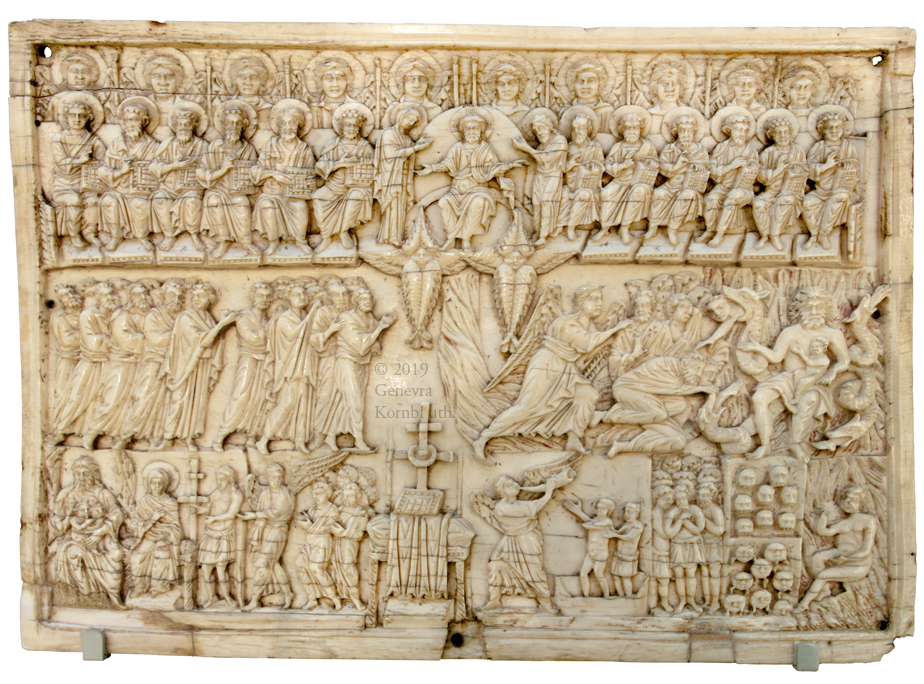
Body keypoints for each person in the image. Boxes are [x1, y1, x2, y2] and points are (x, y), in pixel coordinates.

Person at [474, 285, 627, 460]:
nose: (599, 303)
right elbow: (586, 343)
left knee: (587, 395)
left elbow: (584, 354)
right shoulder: (567, 323)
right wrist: (615, 330)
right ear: (582, 302)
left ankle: (574, 437)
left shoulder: (589, 326)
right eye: (593, 299)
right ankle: (485, 437)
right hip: (547, 365)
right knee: (528, 407)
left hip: (566, 369)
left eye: (600, 299)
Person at [738, 286, 850, 460]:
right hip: (788, 379)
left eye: (818, 307)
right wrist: (757, 347)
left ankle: (795, 443)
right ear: (800, 310)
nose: (814, 312)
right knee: (759, 398)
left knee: (809, 400)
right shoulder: (790, 332)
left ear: (825, 309)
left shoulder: (832, 334)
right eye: (809, 308)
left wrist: (832, 373)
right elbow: (776, 357)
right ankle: (765, 445)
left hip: (813, 381)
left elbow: (844, 361)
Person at [419, 108, 524, 250]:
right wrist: (432, 168)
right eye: (468, 129)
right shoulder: (457, 148)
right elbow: (448, 164)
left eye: (475, 128)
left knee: (478, 203)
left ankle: (466, 240)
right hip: (457, 191)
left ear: (481, 131)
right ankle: (451, 237)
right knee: (444, 203)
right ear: (463, 131)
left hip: (478, 189)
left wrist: (510, 165)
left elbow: (494, 167)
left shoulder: (485, 149)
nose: (471, 132)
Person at [471, 472, 571, 613]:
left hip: (528, 539)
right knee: (495, 566)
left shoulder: (519, 504)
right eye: (510, 485)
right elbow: (532, 508)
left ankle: (546, 603)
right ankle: (494, 599)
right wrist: (548, 492)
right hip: (511, 540)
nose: (515, 485)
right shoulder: (501, 508)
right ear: (503, 492)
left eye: (515, 483)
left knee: (534, 572)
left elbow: (530, 506)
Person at [315, 282, 396, 451]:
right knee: (355, 402)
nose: (368, 302)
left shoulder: (369, 320)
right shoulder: (346, 319)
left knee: (343, 401)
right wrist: (381, 327)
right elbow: (361, 345)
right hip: (346, 362)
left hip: (361, 364)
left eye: (369, 299)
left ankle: (331, 435)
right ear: (357, 302)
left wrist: (383, 324)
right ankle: (358, 439)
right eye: (364, 299)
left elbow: (375, 343)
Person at [161, 283, 236, 451]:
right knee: (180, 400)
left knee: (197, 403)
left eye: (201, 296)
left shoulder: (208, 318)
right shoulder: (186, 317)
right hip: (185, 365)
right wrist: (221, 325)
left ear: (209, 300)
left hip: (202, 365)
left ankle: (189, 438)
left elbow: (215, 341)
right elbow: (201, 340)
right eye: (195, 296)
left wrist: (220, 327)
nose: (197, 299)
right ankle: (168, 437)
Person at [50, 282, 120, 445]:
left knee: (102, 399)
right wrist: (115, 340)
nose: (110, 298)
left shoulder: (116, 314)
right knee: (77, 396)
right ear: (98, 298)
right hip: (90, 363)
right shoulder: (88, 315)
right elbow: (91, 341)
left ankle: (92, 433)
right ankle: (61, 430)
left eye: (112, 294)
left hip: (110, 363)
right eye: (105, 295)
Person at [50, 456, 125, 607]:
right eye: (77, 474)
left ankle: (114, 595)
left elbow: (117, 515)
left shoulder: (102, 493)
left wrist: (100, 533)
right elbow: (56, 519)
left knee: (116, 555)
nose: (81, 478)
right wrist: (68, 519)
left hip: (101, 539)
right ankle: (85, 595)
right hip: (76, 539)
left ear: (93, 475)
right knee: (74, 554)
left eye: (85, 473)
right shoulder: (66, 494)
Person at [119, 280, 184, 449]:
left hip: (174, 365)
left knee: (165, 402)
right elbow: (155, 339)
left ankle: (154, 436)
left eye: (179, 296)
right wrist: (178, 335)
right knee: (144, 397)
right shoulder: (154, 316)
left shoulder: (181, 317)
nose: (176, 300)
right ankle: (126, 435)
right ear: (164, 297)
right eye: (172, 295)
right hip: (155, 362)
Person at [85, 282, 150, 449]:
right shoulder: (122, 316)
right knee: (113, 399)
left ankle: (123, 436)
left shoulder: (148, 315)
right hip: (122, 364)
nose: (143, 298)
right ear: (131, 298)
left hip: (140, 365)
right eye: (138, 295)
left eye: (144, 294)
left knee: (135, 401)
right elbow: (126, 340)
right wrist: (150, 340)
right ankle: (93, 432)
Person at [258, 283, 320, 454]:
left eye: (303, 294)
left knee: (304, 404)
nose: (301, 298)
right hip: (289, 369)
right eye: (296, 295)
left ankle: (300, 440)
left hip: (305, 366)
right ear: (289, 298)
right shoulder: (284, 319)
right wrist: (312, 314)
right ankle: (264, 439)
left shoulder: (305, 317)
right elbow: (295, 334)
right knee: (287, 403)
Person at [795, 484, 877, 612]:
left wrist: (846, 560)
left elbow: (865, 550)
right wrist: (823, 516)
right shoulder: (843, 523)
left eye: (853, 500)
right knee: (817, 557)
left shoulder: (868, 520)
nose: (848, 502)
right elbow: (823, 531)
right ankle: (824, 589)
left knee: (823, 575)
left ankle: (804, 604)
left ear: (860, 502)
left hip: (857, 564)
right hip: (840, 554)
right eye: (846, 499)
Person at [251, 100, 316, 256]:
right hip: (272, 193)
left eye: (292, 123)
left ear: (298, 126)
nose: (288, 127)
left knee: (300, 207)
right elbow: (256, 169)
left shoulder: (303, 149)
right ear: (279, 126)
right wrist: (273, 174)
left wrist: (299, 178)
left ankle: (301, 241)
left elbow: (311, 173)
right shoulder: (271, 145)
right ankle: (273, 242)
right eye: (284, 123)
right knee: (267, 206)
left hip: (293, 195)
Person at [214, 282, 273, 451]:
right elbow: (254, 338)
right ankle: (220, 436)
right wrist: (271, 326)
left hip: (264, 362)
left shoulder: (267, 320)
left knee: (260, 399)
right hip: (248, 360)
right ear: (253, 297)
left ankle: (252, 436)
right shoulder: (243, 318)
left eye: (267, 297)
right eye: (260, 296)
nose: (264, 299)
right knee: (241, 396)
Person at [198, 101, 261, 258]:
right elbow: (201, 172)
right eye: (230, 123)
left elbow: (254, 175)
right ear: (223, 124)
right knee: (214, 201)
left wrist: (251, 177)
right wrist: (222, 170)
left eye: (237, 123)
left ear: (243, 126)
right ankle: (223, 242)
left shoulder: (247, 149)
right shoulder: (215, 147)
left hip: (238, 192)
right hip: (218, 190)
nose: (233, 127)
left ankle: (246, 242)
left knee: (241, 203)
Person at [98, 97, 161, 251]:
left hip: (142, 191)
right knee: (108, 201)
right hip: (119, 189)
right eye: (127, 120)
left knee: (138, 203)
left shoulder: (153, 146)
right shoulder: (116, 144)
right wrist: (121, 172)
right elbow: (102, 170)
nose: (130, 124)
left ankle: (142, 237)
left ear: (144, 122)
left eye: (134, 120)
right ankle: (116, 237)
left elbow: (160, 171)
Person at [312, 104, 375, 252]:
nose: (351, 128)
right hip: (334, 186)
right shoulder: (334, 145)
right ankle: (326, 237)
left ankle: (344, 231)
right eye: (348, 125)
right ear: (342, 127)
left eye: (354, 125)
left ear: (359, 127)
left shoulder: (364, 147)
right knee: (318, 197)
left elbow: (375, 168)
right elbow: (319, 166)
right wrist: (339, 164)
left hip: (357, 187)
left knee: (355, 197)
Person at [50, 93, 107, 249]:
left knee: (93, 201)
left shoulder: (94, 141)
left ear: (88, 118)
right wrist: (80, 161)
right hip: (64, 185)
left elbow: (103, 163)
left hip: (87, 184)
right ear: (66, 117)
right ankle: (74, 235)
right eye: (73, 115)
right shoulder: (59, 138)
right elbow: (61, 162)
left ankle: (90, 233)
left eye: (81, 116)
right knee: (74, 200)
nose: (77, 119)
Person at [645, 109, 708, 246]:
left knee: (686, 196)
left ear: (694, 132)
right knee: (658, 194)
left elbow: (706, 167)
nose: (686, 134)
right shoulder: (670, 149)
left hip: (690, 187)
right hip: (671, 185)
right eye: (683, 131)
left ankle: (672, 230)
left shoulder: (699, 150)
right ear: (676, 132)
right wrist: (677, 165)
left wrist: (699, 166)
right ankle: (652, 228)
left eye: (689, 131)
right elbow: (663, 169)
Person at [150, 102, 208, 251]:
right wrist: (174, 166)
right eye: (180, 125)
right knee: (160, 199)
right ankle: (169, 235)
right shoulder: (167, 145)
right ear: (175, 126)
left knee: (193, 200)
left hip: (191, 188)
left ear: (193, 126)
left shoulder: (202, 145)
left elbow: (210, 166)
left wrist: (198, 169)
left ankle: (194, 235)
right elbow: (153, 166)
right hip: (169, 187)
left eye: (187, 125)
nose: (183, 128)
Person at [596, 108, 659, 244]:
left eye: (635, 128)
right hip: (620, 181)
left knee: (638, 192)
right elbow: (608, 166)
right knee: (606, 194)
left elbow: (656, 165)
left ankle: (624, 228)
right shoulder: (618, 147)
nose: (632, 131)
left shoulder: (647, 147)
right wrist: (623, 165)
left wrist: (649, 163)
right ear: (622, 130)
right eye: (628, 128)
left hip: (640, 182)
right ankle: (604, 228)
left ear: (640, 129)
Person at [374, 103, 432, 245]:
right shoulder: (388, 134)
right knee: (392, 206)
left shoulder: (406, 139)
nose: (410, 123)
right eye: (409, 119)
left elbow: (409, 155)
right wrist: (416, 148)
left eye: (413, 122)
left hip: (403, 177)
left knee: (400, 208)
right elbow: (392, 154)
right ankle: (389, 237)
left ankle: (396, 236)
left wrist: (417, 145)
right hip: (390, 177)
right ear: (401, 117)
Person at [802, 108, 860, 250]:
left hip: (841, 189)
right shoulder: (819, 147)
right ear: (823, 130)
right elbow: (808, 170)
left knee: (839, 197)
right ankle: (814, 235)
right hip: (821, 190)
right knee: (806, 202)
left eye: (838, 127)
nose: (834, 131)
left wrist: (848, 169)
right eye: (830, 128)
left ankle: (824, 234)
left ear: (843, 129)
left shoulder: (848, 147)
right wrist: (826, 166)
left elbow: (856, 169)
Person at [700, 109, 758, 247]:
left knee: (732, 197)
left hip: (743, 189)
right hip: (722, 187)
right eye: (738, 130)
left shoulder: (750, 151)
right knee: (710, 199)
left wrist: (750, 169)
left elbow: (756, 174)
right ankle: (710, 230)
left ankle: (720, 234)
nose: (742, 134)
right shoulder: (722, 148)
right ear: (730, 131)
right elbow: (712, 171)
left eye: (744, 130)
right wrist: (731, 166)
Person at [241, 464, 295, 611]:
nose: (276, 480)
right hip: (265, 530)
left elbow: (275, 513)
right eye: (273, 477)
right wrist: (256, 536)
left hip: (278, 531)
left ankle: (254, 600)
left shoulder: (285, 495)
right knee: (274, 565)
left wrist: (254, 515)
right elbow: (262, 511)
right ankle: (288, 593)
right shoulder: (265, 494)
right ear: (268, 478)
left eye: (279, 477)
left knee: (262, 564)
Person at [512, 108, 567, 245]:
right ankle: (538, 231)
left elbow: (546, 159)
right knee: (537, 203)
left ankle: (544, 235)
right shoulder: (541, 147)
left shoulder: (560, 141)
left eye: (541, 128)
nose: (539, 132)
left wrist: (526, 148)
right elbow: (537, 160)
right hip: (540, 177)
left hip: (553, 176)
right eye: (536, 130)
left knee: (547, 202)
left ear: (549, 127)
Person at [753, 112, 807, 250]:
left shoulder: (797, 151)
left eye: (785, 132)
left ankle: (775, 235)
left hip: (791, 190)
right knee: (758, 204)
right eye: (778, 133)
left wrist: (796, 172)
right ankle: (764, 235)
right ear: (772, 135)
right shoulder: (768, 153)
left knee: (785, 200)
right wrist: (778, 170)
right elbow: (759, 176)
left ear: (790, 134)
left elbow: (805, 172)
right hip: (772, 190)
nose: (783, 136)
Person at [128, 466, 181, 598]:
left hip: (165, 538)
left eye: (159, 483)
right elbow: (135, 523)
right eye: (153, 482)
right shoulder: (144, 501)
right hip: (147, 536)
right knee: (137, 558)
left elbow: (175, 526)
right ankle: (139, 587)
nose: (156, 486)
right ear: (149, 484)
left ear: (165, 485)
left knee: (161, 553)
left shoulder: (170, 502)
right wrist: (153, 519)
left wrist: (168, 537)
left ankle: (158, 588)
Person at [197, 465, 244, 609]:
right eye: (218, 479)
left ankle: (228, 598)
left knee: (221, 568)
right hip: (210, 533)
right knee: (206, 568)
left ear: (230, 479)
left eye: (222, 479)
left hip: (224, 533)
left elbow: (231, 514)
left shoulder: (236, 494)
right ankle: (212, 597)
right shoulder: (215, 493)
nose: (219, 482)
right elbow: (208, 509)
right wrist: (200, 510)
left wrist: (214, 519)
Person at [295, 481, 342, 610]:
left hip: (322, 542)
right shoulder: (312, 509)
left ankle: (334, 598)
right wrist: (304, 522)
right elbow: (310, 525)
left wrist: (309, 527)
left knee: (316, 568)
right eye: (314, 493)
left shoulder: (332, 510)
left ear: (327, 494)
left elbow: (329, 528)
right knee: (300, 564)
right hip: (309, 542)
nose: (316, 496)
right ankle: (312, 598)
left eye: (319, 493)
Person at [562, 110, 605, 240]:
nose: (578, 131)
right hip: (572, 185)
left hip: (591, 184)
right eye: (575, 128)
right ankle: (570, 226)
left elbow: (603, 166)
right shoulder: (568, 148)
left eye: (581, 127)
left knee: (587, 194)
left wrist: (596, 169)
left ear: (588, 129)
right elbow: (561, 168)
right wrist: (571, 166)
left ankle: (600, 227)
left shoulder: (595, 147)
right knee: (582, 194)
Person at [563, 497, 617, 597]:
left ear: (608, 511)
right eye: (598, 508)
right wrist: (577, 512)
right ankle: (586, 596)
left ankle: (606, 595)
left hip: (600, 555)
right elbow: (589, 521)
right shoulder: (595, 520)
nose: (599, 510)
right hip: (591, 553)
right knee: (583, 574)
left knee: (599, 575)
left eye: (602, 509)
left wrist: (587, 523)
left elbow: (592, 525)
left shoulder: (607, 522)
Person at [332, 482, 368, 609]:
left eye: (350, 496)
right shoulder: (339, 510)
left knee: (348, 569)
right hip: (336, 544)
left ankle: (356, 599)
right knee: (335, 568)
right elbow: (330, 524)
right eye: (345, 496)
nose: (347, 499)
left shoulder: (360, 513)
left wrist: (344, 533)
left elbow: (359, 535)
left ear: (357, 497)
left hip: (349, 545)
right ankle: (341, 598)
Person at [50, 284, 83, 418]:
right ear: (60, 300)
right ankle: (60, 422)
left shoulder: (85, 313)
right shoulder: (60, 317)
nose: (70, 296)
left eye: (70, 292)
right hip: (68, 359)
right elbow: (68, 340)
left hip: (87, 359)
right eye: (64, 295)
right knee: (64, 394)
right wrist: (89, 336)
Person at [610, 502, 644, 597]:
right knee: (616, 576)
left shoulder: (637, 526)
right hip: (619, 556)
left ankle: (628, 596)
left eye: (630, 512)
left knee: (626, 578)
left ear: (636, 514)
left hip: (627, 557)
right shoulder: (627, 524)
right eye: (625, 512)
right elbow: (618, 532)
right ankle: (621, 596)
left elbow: (628, 537)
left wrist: (614, 535)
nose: (627, 515)